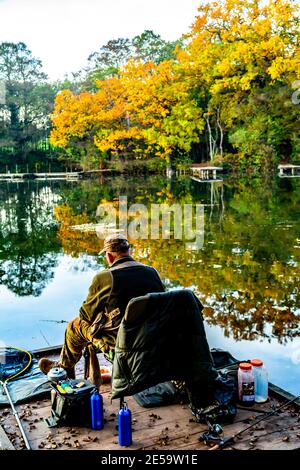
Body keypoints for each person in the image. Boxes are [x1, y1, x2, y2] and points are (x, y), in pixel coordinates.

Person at [38, 234, 165, 377]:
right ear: (129, 251)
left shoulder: (105, 277)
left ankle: (64, 369)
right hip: (153, 343)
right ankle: (65, 367)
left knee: (74, 327)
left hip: (120, 347)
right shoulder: (152, 272)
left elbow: (85, 315)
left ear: (109, 256)